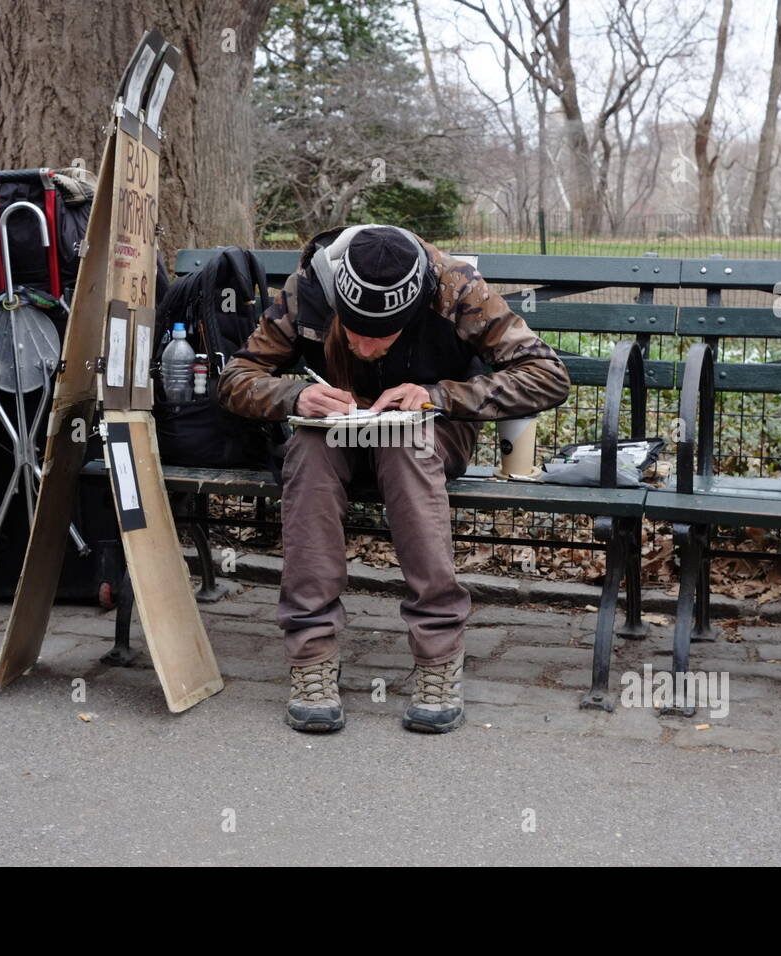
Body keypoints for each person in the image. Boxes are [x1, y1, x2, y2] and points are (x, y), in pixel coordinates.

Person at [219, 224, 570, 733]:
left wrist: (439, 396)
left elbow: (547, 375)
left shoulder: (457, 288)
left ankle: (437, 658)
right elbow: (237, 379)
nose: (363, 346)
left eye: (382, 333)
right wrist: (294, 397)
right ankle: (312, 656)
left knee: (406, 445)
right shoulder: (311, 286)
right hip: (334, 432)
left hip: (428, 431)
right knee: (309, 451)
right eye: (352, 328)